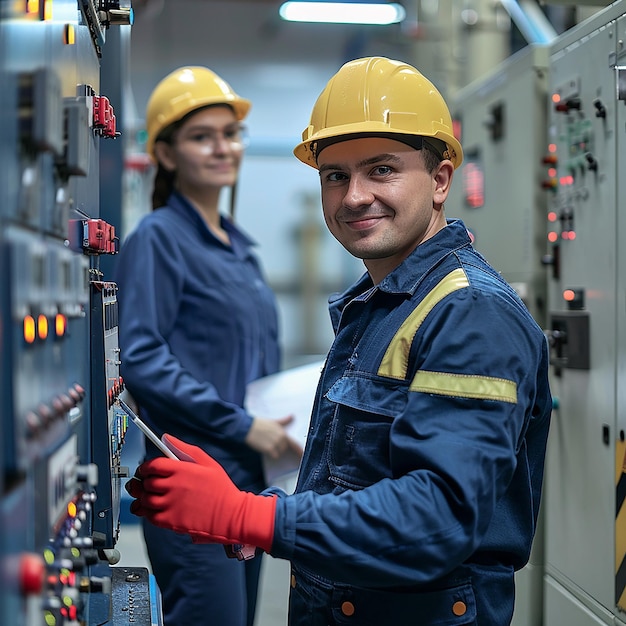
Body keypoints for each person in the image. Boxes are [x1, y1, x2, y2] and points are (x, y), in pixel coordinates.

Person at [125, 57, 552, 625]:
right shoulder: (377, 306)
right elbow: (354, 480)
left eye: (382, 170)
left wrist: (253, 516)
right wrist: (260, 507)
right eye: (335, 175)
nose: (354, 196)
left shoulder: (468, 312)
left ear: (442, 178)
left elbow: (440, 516)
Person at [115, 66, 299, 626]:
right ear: (167, 156)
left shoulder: (239, 249)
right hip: (192, 475)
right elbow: (141, 358)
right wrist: (245, 425)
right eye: (202, 137)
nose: (224, 148)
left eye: (231, 133)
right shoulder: (158, 239)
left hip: (247, 482)